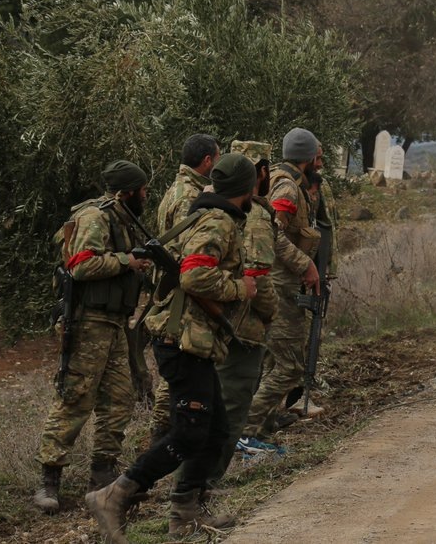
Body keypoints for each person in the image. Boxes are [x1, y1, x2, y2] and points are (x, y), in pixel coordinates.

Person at [85, 153, 259, 542]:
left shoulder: (209, 216)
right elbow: (195, 276)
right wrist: (240, 289)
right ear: (246, 189)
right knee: (190, 433)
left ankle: (184, 515)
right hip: (183, 340)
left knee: (215, 431)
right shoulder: (217, 221)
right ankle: (115, 494)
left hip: (191, 338)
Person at [32, 161, 154, 513]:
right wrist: (125, 261)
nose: (146, 196)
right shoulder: (94, 217)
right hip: (88, 323)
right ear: (126, 191)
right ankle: (48, 481)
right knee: (75, 398)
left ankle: (103, 479)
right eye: (142, 190)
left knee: (119, 400)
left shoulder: (123, 217)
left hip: (114, 324)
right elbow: (81, 266)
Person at [209, 139, 307, 480]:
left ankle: (254, 434)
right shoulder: (253, 212)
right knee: (233, 397)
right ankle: (244, 440)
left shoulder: (216, 206)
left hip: (223, 313)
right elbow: (258, 275)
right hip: (244, 314)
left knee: (232, 388)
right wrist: (270, 313)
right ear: (260, 171)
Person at [241, 127, 324, 448]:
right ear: (306, 156)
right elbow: (272, 236)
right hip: (281, 285)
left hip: (280, 282)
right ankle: (247, 428)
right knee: (290, 366)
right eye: (316, 154)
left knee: (275, 362)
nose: (320, 161)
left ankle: (261, 431)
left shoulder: (282, 180)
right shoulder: (287, 189)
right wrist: (306, 264)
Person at [146, 133, 221, 440]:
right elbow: (186, 247)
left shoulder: (176, 188)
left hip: (175, 287)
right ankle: (162, 435)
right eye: (217, 158)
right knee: (177, 368)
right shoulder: (191, 195)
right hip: (181, 292)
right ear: (207, 161)